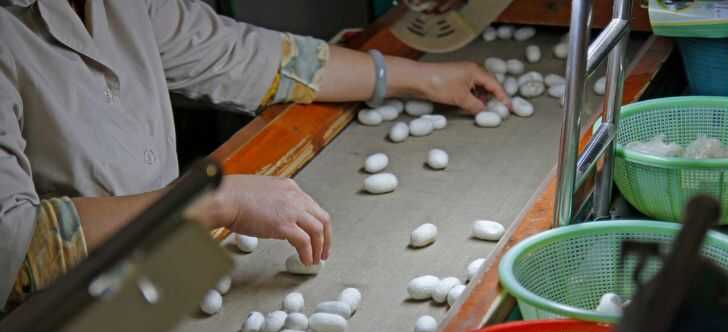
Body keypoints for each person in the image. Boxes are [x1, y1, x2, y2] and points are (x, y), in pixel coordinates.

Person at [0, 0, 509, 310]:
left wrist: (409, 77)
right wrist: (212, 201)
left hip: (153, 282)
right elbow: (15, 243)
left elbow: (240, 55)